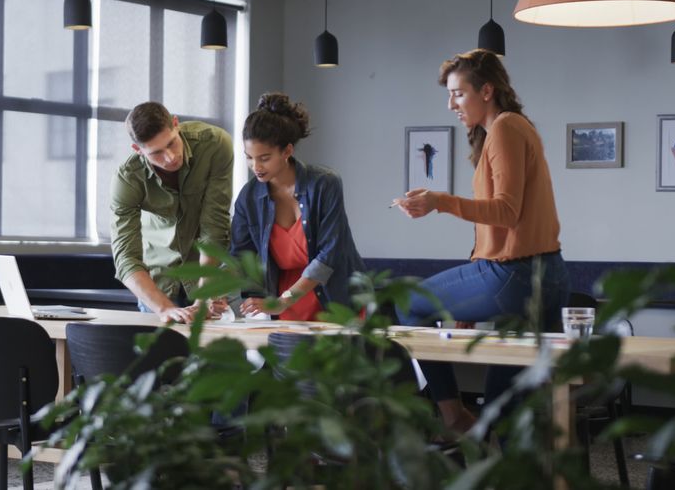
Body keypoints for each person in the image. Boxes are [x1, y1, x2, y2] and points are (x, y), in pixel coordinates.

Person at [393, 49, 569, 433]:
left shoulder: (505, 128)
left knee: (407, 303)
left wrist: (439, 201)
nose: (451, 104)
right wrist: (474, 286)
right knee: (507, 407)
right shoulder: (517, 127)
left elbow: (506, 211)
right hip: (547, 275)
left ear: (486, 90)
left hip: (515, 275)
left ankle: (452, 413)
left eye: (458, 93)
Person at [231, 92, 365, 320]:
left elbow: (330, 254)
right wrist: (216, 293)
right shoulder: (248, 197)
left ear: (287, 151)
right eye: (249, 157)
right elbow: (240, 256)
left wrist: (284, 301)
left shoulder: (325, 184)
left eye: (264, 158)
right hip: (287, 304)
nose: (255, 166)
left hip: (337, 297)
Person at [110, 102, 234, 323]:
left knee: (214, 356)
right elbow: (126, 256)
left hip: (210, 275)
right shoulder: (128, 178)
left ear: (176, 124)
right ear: (138, 150)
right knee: (160, 356)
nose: (170, 157)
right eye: (156, 153)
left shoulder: (214, 144)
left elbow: (214, 227)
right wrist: (164, 308)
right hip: (158, 284)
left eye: (171, 144)